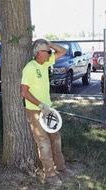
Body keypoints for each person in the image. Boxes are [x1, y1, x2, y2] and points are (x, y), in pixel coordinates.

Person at [20, 39, 74, 187]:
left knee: (55, 139)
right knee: (43, 143)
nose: (51, 54)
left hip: (48, 109)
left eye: (50, 52)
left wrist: (49, 44)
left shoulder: (46, 62)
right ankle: (50, 174)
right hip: (35, 111)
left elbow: (62, 51)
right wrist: (40, 105)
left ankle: (60, 168)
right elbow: (24, 91)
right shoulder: (30, 68)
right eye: (48, 51)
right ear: (39, 53)